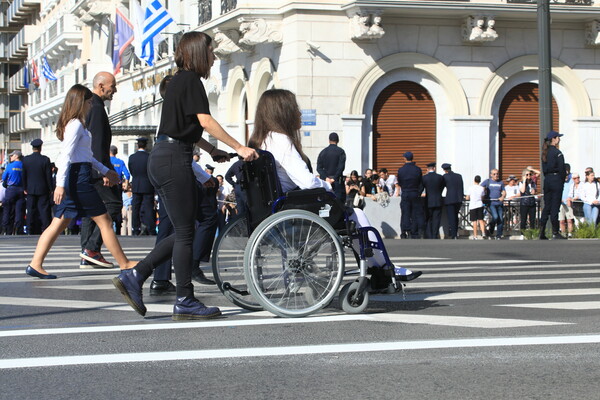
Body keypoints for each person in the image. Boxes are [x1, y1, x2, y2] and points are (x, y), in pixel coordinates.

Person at [112, 31, 258, 320]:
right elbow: (204, 120)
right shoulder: (190, 79)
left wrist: (211, 150)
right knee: (185, 232)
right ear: (198, 53)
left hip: (165, 156)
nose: (214, 57)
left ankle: (137, 275)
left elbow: (186, 126)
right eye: (211, 52)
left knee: (183, 229)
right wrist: (238, 147)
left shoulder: (179, 80)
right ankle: (184, 299)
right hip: (172, 160)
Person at [248, 88, 421, 282]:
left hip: (277, 207)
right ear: (284, 112)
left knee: (353, 215)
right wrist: (326, 184)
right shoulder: (282, 141)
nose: (299, 113)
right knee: (357, 215)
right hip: (294, 207)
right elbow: (306, 182)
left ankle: (380, 268)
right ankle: (383, 268)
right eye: (295, 108)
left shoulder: (261, 140)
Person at [25, 84, 137, 279]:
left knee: (59, 223)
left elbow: (86, 156)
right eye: (89, 101)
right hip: (78, 179)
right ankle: (124, 263)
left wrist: (105, 171)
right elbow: (66, 155)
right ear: (81, 102)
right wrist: (60, 184)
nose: (91, 105)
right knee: (105, 221)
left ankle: (35, 264)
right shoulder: (76, 124)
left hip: (78, 175)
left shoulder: (77, 124)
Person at [79, 72, 122, 269]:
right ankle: (92, 249)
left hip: (92, 167)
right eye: (112, 85)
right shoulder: (96, 107)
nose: (114, 89)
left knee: (92, 211)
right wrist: (104, 171)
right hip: (98, 168)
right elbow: (96, 142)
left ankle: (87, 254)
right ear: (101, 86)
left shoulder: (93, 105)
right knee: (113, 204)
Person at [539, 131, 567, 239]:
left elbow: (544, 170)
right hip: (556, 180)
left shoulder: (545, 153)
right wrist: (561, 180)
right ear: (554, 139)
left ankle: (542, 232)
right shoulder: (557, 153)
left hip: (548, 180)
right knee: (555, 206)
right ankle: (555, 232)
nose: (559, 139)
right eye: (558, 138)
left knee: (547, 207)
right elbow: (562, 169)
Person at [22, 139, 53, 234]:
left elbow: (24, 175)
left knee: (30, 210)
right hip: (43, 189)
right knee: (44, 210)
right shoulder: (45, 159)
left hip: (30, 189)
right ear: (40, 147)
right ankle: (46, 229)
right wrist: (51, 188)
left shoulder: (26, 159)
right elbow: (48, 176)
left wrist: (24, 188)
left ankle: (29, 230)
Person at [128, 137, 155, 235]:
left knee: (135, 208)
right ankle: (151, 228)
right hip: (148, 185)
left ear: (137, 145)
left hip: (136, 184)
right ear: (146, 145)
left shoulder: (132, 157)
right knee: (148, 208)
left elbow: (131, 170)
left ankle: (136, 228)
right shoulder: (150, 157)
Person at [396, 151, 425, 239]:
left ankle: (405, 231)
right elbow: (421, 183)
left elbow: (399, 182)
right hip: (415, 193)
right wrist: (419, 192)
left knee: (405, 213)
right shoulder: (417, 169)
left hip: (405, 193)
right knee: (415, 213)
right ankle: (415, 232)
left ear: (404, 158)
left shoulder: (401, 170)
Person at [316, 132, 346, 201]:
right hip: (337, 181)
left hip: (325, 182)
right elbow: (341, 167)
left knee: (326, 203)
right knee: (338, 204)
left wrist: (326, 178)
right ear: (338, 140)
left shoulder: (323, 152)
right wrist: (334, 178)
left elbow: (319, 168)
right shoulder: (341, 151)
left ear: (329, 140)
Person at [2, 150, 25, 235]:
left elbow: (4, 178)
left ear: (16, 156)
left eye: (12, 155)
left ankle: (6, 229)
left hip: (11, 189)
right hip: (21, 190)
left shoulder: (10, 166)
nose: (10, 157)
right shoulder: (23, 165)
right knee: (19, 210)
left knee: (7, 210)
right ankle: (18, 229)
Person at [421, 162, 445, 239]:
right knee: (437, 219)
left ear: (427, 169)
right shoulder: (440, 177)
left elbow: (421, 188)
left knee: (428, 218)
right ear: (434, 168)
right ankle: (435, 235)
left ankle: (429, 235)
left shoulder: (424, 178)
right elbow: (442, 187)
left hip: (428, 201)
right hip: (438, 200)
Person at [109, 145, 130, 234]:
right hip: (117, 185)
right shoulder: (120, 162)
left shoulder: (107, 161)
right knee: (118, 204)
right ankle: (118, 225)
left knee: (108, 204)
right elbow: (127, 175)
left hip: (107, 185)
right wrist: (126, 185)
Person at [481, 169, 506, 240]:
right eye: (494, 174)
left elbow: (504, 191)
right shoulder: (487, 181)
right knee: (495, 217)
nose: (496, 175)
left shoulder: (501, 182)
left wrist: (502, 196)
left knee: (500, 219)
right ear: (491, 175)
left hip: (499, 202)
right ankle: (492, 226)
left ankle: (499, 235)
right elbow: (481, 188)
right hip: (491, 203)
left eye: (497, 174)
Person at [441, 163, 464, 239]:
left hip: (450, 199)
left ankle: (453, 234)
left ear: (445, 170)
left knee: (451, 217)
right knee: (455, 216)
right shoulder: (459, 176)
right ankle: (456, 232)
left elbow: (441, 187)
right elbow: (461, 188)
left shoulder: (445, 176)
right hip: (458, 199)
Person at [466, 175, 486, 240]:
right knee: (481, 219)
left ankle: (475, 235)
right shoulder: (481, 188)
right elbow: (482, 197)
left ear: (474, 180)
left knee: (474, 221)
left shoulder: (470, 188)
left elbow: (467, 197)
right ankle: (483, 232)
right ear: (480, 181)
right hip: (480, 204)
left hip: (473, 205)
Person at [519, 168, 538, 237]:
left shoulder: (533, 183)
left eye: (530, 174)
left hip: (532, 202)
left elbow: (535, 191)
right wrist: (524, 181)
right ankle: (522, 233)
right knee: (523, 219)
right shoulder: (521, 183)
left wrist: (534, 191)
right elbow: (522, 191)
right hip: (524, 203)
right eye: (527, 175)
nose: (529, 176)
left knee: (532, 219)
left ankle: (532, 233)